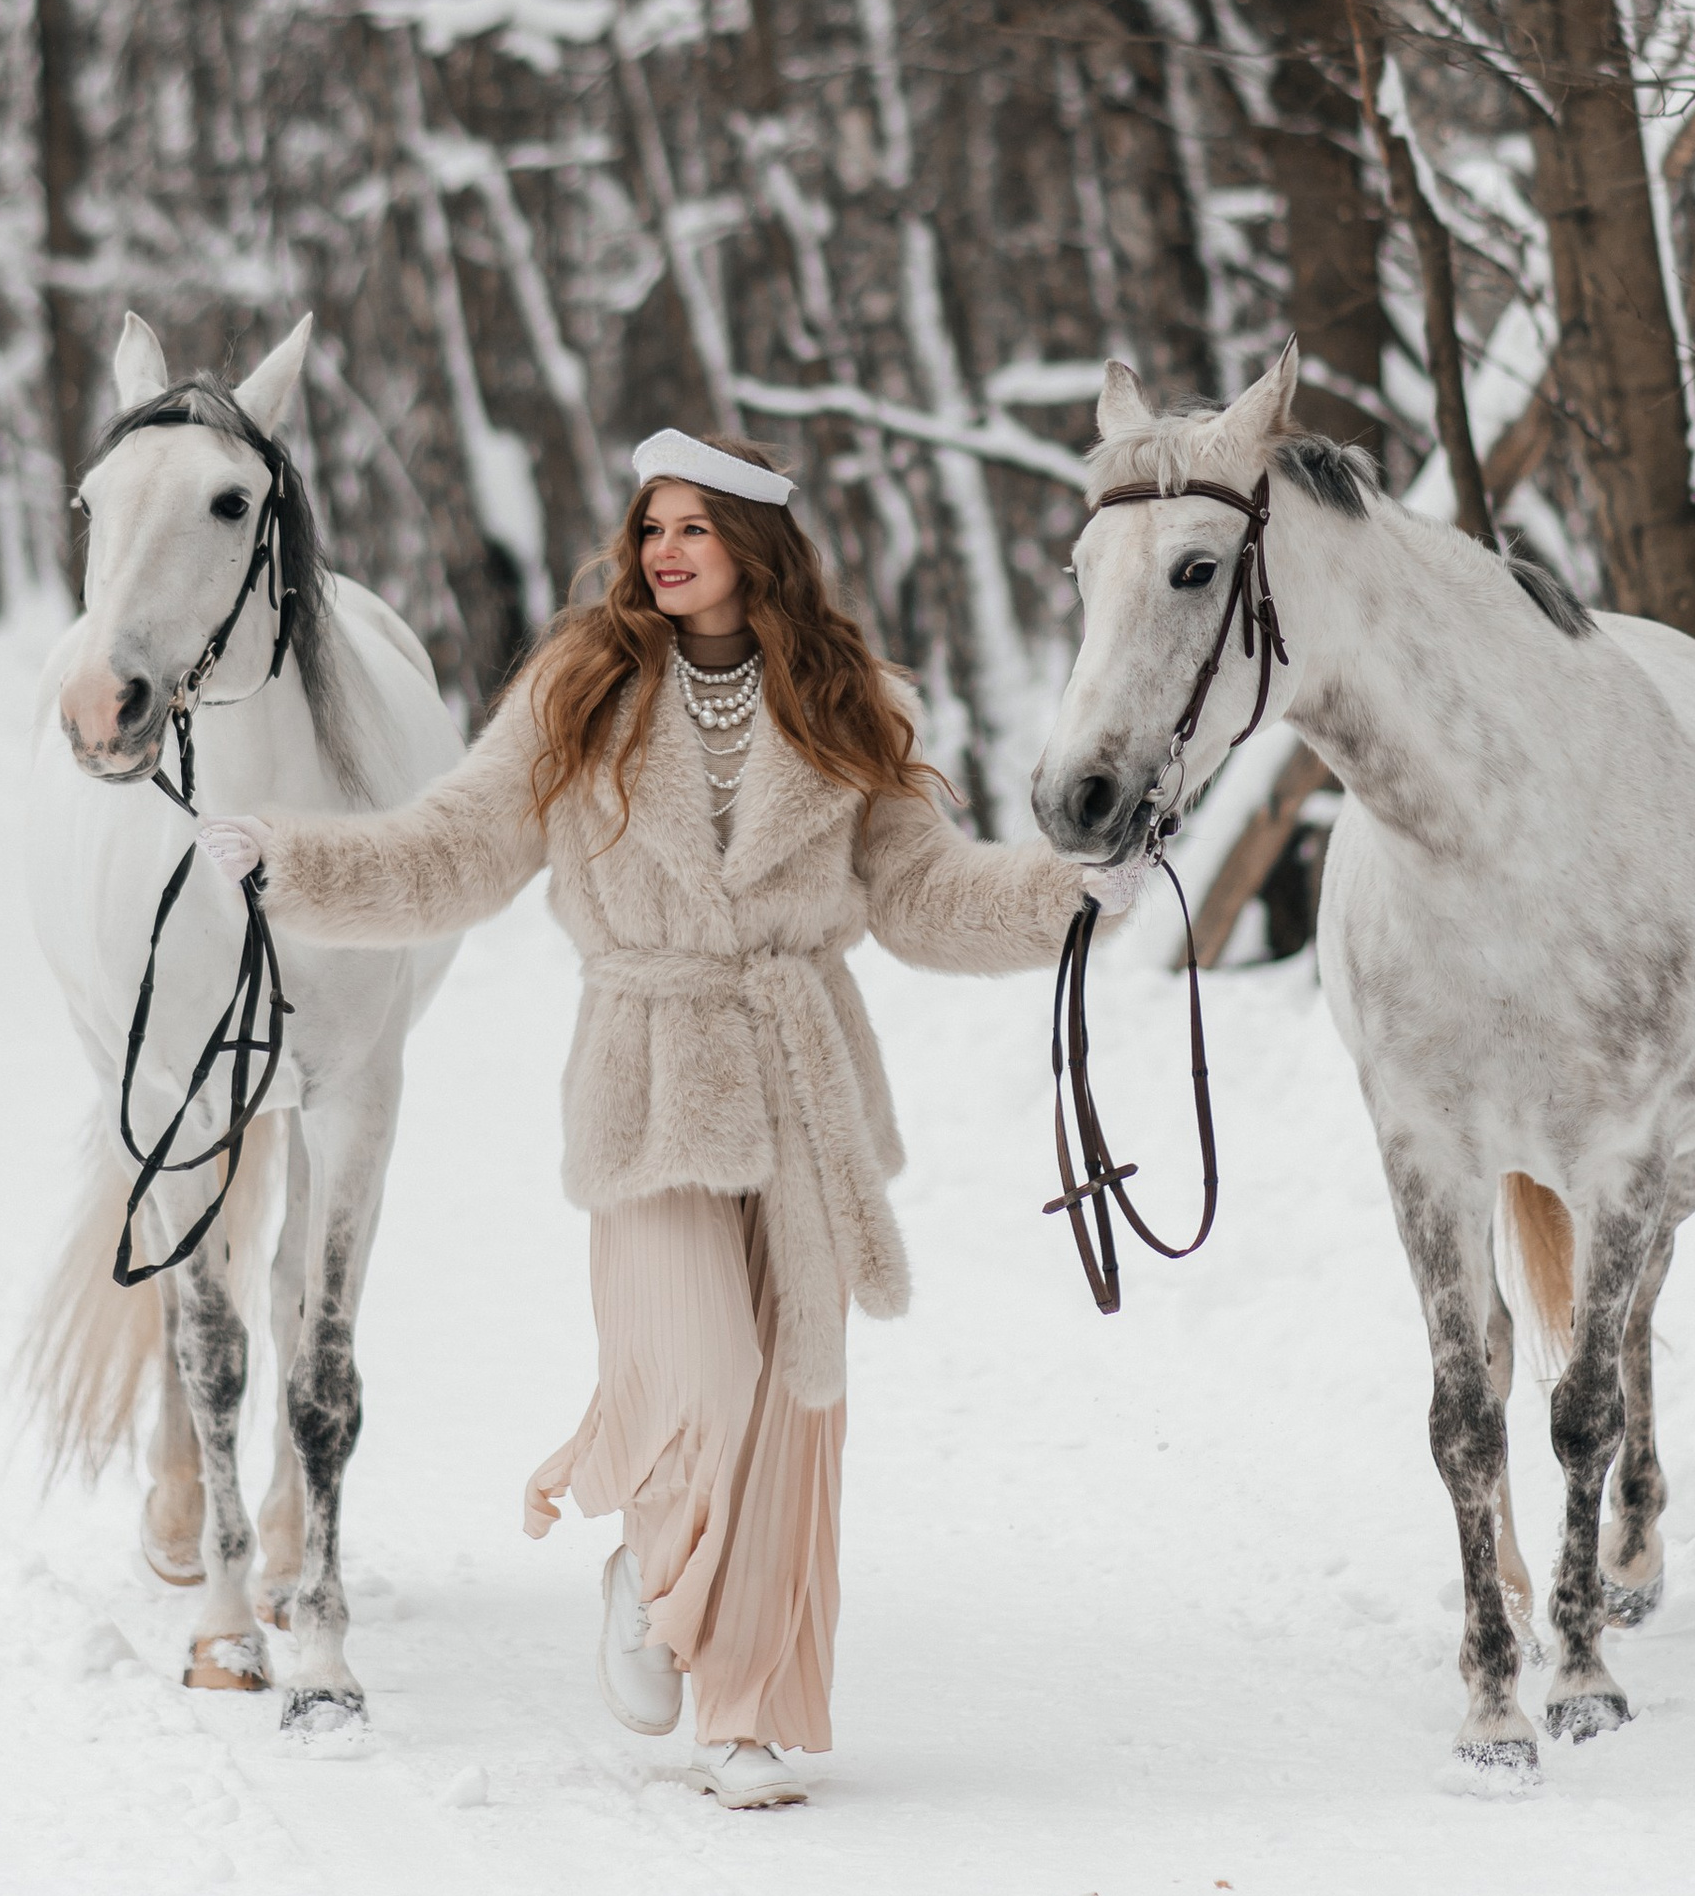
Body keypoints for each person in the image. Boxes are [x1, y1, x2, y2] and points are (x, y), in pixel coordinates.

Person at [198, 430, 1139, 1808]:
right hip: (648, 1073)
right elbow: (454, 848)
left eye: (696, 527)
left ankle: (745, 1715)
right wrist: (297, 863)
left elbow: (922, 893)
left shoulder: (848, 698)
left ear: (757, 544)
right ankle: (647, 1567)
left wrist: (1067, 900)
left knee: (791, 1407)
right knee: (698, 1374)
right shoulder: (579, 689)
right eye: (652, 527)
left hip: (802, 1079)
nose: (664, 551)